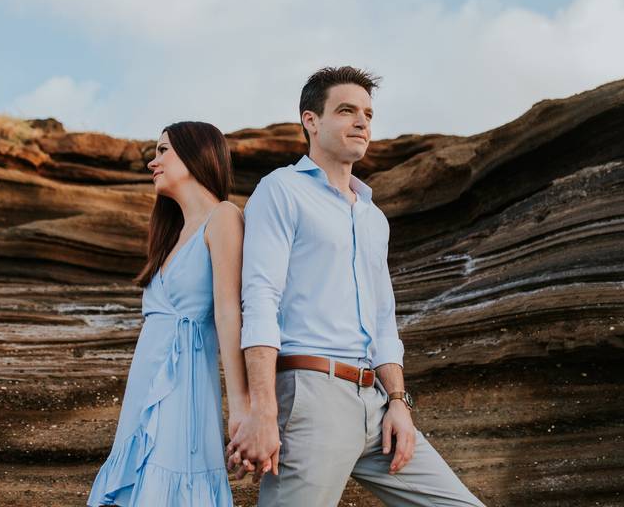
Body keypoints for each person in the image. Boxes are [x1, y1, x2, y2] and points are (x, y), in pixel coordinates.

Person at [226, 67, 486, 506]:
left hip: (378, 403)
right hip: (312, 396)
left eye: (368, 113)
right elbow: (260, 299)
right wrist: (263, 409)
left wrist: (399, 403)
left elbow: (384, 319)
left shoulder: (372, 216)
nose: (362, 122)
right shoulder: (282, 190)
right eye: (346, 111)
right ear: (311, 120)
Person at [88, 120, 264, 506]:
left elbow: (229, 314)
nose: (153, 162)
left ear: (196, 155)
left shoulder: (224, 217)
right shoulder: (170, 235)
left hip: (185, 387)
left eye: (162, 150)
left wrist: (241, 408)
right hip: (145, 385)